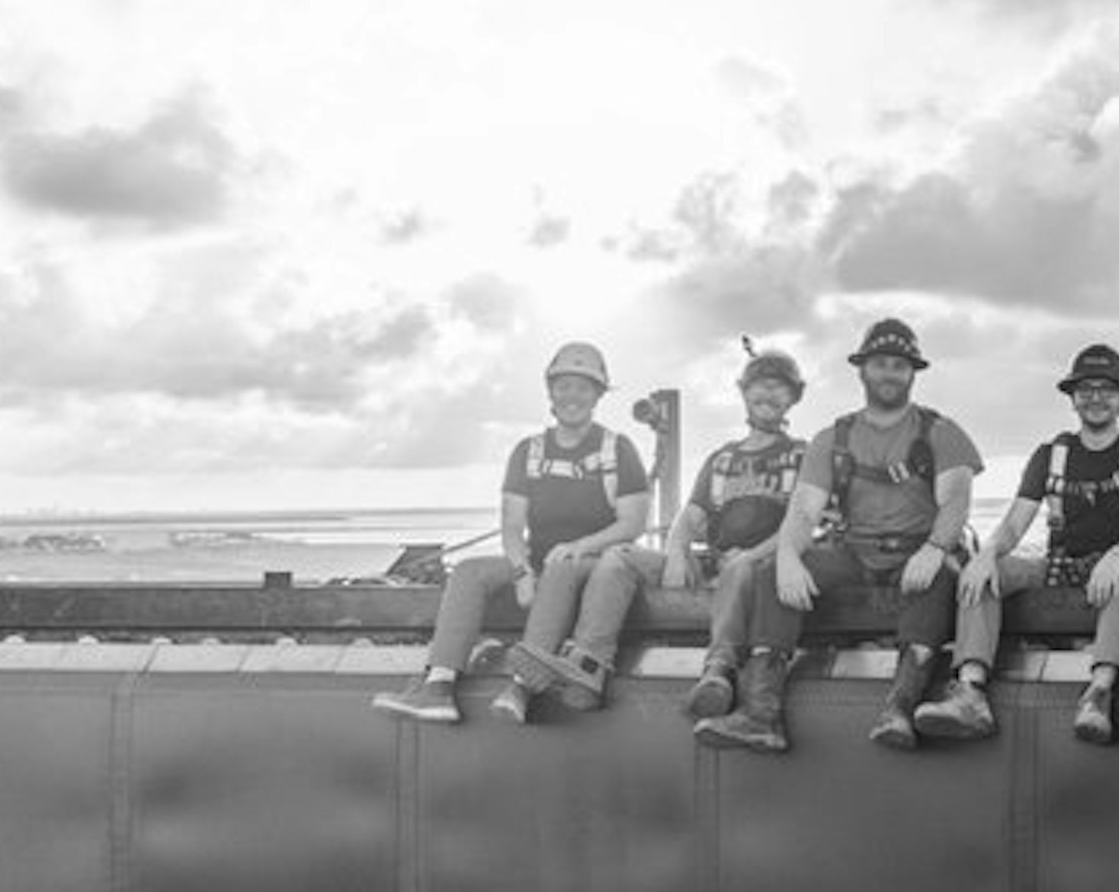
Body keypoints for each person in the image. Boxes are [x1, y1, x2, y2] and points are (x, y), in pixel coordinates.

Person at [694, 317, 981, 756]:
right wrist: (789, 557)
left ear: (913, 373)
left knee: (940, 578)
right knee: (774, 573)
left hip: (917, 550)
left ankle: (899, 709)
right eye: (881, 364)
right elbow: (804, 510)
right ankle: (761, 714)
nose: (890, 373)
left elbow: (956, 501)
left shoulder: (940, 432)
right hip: (856, 552)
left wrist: (935, 547)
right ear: (863, 370)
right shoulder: (834, 438)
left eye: (900, 366)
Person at [372, 342, 651, 728]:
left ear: (598, 395)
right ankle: (438, 687)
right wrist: (521, 571)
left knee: (559, 564)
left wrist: (578, 547)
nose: (573, 396)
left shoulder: (617, 449)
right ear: (550, 391)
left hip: (595, 562)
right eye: (564, 386)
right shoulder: (529, 451)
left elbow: (631, 524)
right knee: (471, 571)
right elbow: (511, 524)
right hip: (539, 558)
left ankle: (521, 686)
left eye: (583, 388)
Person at [912, 343, 1119, 748]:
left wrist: (1116, 555)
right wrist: (986, 556)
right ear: (1072, 398)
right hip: (1063, 565)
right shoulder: (1051, 455)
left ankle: (1099, 694)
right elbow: (1015, 524)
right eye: (1085, 390)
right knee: (983, 575)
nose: (1095, 398)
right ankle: (970, 692)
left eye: (1106, 389)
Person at [539, 343, 805, 724]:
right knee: (618, 557)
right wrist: (678, 551)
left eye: (779, 387)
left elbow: (802, 524)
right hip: (713, 562)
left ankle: (719, 672)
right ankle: (590, 665)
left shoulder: (801, 456)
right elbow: (689, 517)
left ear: (793, 398)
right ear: (743, 393)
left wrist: (752, 555)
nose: (767, 393)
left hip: (758, 569)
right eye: (759, 385)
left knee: (740, 568)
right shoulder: (723, 459)